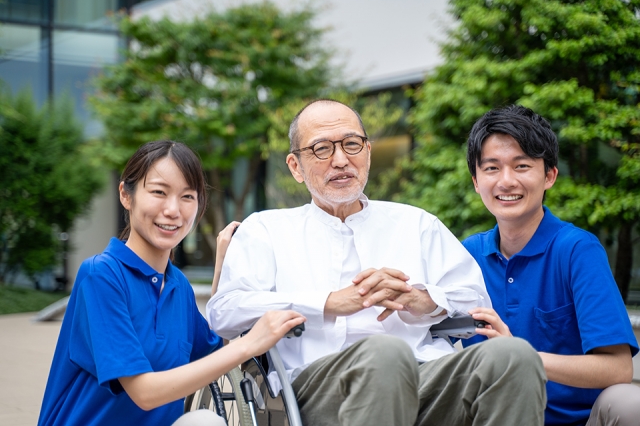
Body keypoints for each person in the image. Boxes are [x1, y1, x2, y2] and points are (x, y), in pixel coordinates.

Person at [207, 99, 547, 426]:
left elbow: (475, 305)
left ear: (368, 153)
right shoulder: (266, 229)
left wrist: (420, 301)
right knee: (383, 353)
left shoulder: (416, 224)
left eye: (352, 144)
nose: (340, 160)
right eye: (322, 149)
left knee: (514, 356)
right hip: (317, 387)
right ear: (296, 167)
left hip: (425, 378)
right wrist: (328, 304)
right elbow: (224, 311)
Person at [38, 140, 306, 426]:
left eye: (187, 196)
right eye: (158, 192)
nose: (173, 210)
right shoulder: (101, 275)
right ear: (126, 196)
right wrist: (251, 343)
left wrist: (222, 267)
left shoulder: (177, 286)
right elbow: (144, 392)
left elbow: (215, 352)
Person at [461, 105, 640, 426]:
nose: (506, 181)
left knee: (631, 404)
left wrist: (520, 356)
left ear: (549, 176)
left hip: (580, 420)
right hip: (493, 416)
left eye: (522, 166)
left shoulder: (576, 249)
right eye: (491, 168)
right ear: (476, 181)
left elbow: (618, 369)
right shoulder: (466, 255)